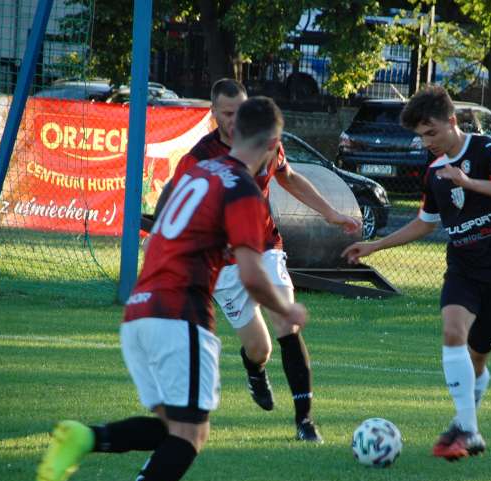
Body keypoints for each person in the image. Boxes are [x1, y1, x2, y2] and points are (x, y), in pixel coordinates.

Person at [37, 96, 308, 481]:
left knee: (172, 428)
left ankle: (87, 439)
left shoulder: (199, 170)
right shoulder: (241, 187)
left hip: (139, 312)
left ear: (234, 131)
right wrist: (288, 307)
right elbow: (249, 272)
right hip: (179, 313)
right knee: (191, 435)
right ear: (274, 145)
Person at [149, 78, 360, 442]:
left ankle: (305, 421)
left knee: (286, 322)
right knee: (259, 347)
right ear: (213, 114)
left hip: (265, 246)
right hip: (225, 264)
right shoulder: (200, 157)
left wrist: (331, 213)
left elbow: (290, 179)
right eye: (226, 113)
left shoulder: (265, 144)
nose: (234, 120)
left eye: (239, 112)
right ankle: (254, 368)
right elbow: (173, 194)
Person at [342, 85, 491, 462]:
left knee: (477, 359)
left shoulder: (488, 150)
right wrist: (375, 245)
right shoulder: (432, 173)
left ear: (451, 121)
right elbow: (425, 223)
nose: (427, 142)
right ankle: (469, 429)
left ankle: (464, 424)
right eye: (421, 136)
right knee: (452, 331)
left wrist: (467, 182)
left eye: (432, 133)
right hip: (463, 267)